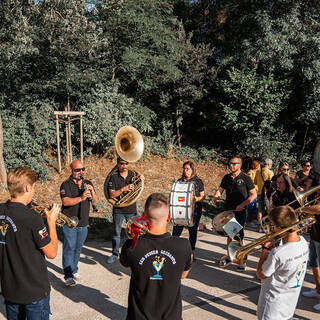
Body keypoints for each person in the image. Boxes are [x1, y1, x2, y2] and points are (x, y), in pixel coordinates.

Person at [120, 193, 192, 320]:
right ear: (169, 217)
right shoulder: (184, 245)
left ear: (143, 216)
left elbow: (125, 265)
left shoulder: (131, 246)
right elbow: (183, 274)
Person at [0, 167, 60, 319]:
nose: (34, 191)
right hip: (34, 292)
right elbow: (52, 253)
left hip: (10, 290)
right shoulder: (32, 218)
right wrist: (51, 222)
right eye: (33, 187)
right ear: (27, 188)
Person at [256, 205, 309, 320]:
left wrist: (264, 252)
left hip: (271, 309)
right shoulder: (304, 243)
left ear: (279, 227)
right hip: (289, 307)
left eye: (273, 226)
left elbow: (261, 274)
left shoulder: (278, 253)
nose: (272, 229)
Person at [212, 156, 257, 271]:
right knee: (229, 235)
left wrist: (243, 204)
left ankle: (241, 261)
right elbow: (220, 189)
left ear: (240, 165)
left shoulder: (246, 178)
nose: (231, 166)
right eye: (230, 163)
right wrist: (216, 196)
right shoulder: (227, 177)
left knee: (238, 236)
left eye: (234, 164)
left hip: (240, 212)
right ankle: (230, 256)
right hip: (229, 211)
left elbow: (254, 194)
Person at [60, 159, 98, 286]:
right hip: (70, 222)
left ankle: (74, 269)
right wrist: (81, 198)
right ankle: (68, 276)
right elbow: (65, 202)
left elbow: (96, 201)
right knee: (69, 248)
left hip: (83, 222)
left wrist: (92, 191)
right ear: (71, 171)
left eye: (83, 169)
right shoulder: (65, 185)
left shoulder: (87, 183)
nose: (81, 172)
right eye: (77, 170)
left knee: (78, 248)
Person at [106, 156, 139, 264]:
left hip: (131, 208)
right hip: (118, 210)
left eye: (126, 163)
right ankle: (115, 254)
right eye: (121, 163)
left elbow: (139, 187)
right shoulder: (113, 177)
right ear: (117, 164)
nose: (124, 166)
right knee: (116, 233)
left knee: (134, 233)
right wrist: (123, 189)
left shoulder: (133, 175)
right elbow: (111, 195)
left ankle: (134, 253)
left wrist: (142, 178)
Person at [172, 161, 205, 260]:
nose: (185, 171)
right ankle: (172, 252)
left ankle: (191, 253)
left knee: (192, 232)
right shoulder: (179, 181)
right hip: (180, 210)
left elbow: (203, 196)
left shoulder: (198, 181)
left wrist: (196, 199)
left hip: (195, 211)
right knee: (176, 232)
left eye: (187, 169)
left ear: (192, 170)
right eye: (184, 168)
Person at [301, 193, 320, 311]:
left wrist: (302, 208)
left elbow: (318, 209)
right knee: (314, 264)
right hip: (315, 234)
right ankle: (318, 289)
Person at [261, 159, 274, 227]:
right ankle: (269, 226)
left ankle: (261, 226)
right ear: (268, 164)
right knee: (269, 210)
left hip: (259, 192)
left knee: (261, 210)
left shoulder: (258, 171)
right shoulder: (270, 172)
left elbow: (255, 182)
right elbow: (272, 183)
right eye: (271, 165)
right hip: (267, 193)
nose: (271, 166)